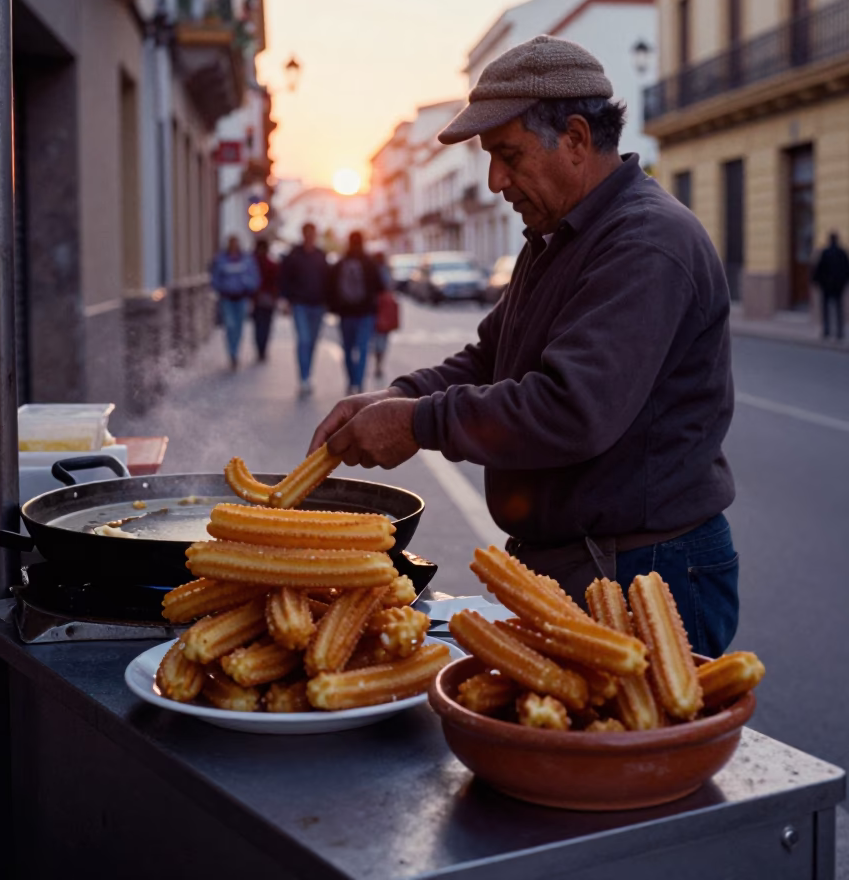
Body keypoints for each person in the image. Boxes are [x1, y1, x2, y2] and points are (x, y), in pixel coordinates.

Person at [310, 35, 739, 658]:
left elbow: (572, 409)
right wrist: (397, 394)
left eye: (508, 155)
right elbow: (489, 359)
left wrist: (419, 423)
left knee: (623, 754)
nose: (494, 180)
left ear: (574, 138)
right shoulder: (555, 238)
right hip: (582, 564)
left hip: (646, 573)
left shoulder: (644, 243)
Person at [327, 231, 383, 395]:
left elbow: (331, 287)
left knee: (348, 348)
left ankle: (351, 381)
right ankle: (359, 383)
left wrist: (334, 307)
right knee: (363, 348)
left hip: (346, 313)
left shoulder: (341, 262)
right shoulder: (369, 262)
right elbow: (380, 286)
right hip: (365, 313)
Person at [280, 222, 329, 398]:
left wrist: (329, 303)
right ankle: (304, 378)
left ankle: (308, 372)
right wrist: (285, 300)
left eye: (312, 233)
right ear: (303, 234)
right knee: (304, 340)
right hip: (299, 303)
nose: (310, 236)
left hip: (318, 305)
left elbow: (327, 280)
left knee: (312, 342)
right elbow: (284, 278)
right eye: (307, 233)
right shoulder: (294, 255)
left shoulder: (320, 255)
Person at [210, 235, 260, 371]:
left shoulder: (246, 260)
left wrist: (247, 285)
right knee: (230, 325)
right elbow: (215, 277)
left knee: (238, 327)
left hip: (241, 297)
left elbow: (254, 277)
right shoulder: (221, 259)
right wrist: (219, 288)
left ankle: (236, 351)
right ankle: (232, 353)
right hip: (227, 297)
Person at [812, 233, 849, 341]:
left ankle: (827, 331)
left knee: (826, 309)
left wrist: (816, 281)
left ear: (829, 240)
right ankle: (839, 332)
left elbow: (819, 269)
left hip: (826, 285)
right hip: (839, 285)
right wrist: (846, 281)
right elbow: (848, 269)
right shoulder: (842, 253)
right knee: (839, 308)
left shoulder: (825, 253)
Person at [371, 251, 400, 380]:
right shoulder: (386, 271)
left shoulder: (372, 270)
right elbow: (391, 287)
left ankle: (377, 363)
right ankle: (379, 364)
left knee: (376, 338)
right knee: (382, 339)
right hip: (384, 310)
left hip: (374, 309)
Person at [252, 238, 281, 363]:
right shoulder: (271, 264)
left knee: (259, 325)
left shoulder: (253, 263)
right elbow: (277, 282)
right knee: (266, 325)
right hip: (268, 298)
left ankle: (260, 349)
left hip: (258, 298)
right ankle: (262, 349)